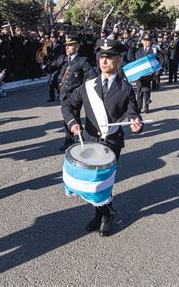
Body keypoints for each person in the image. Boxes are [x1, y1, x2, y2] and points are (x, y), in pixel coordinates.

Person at [61, 38, 143, 236]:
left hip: (112, 142)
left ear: (119, 60)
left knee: (104, 181)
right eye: (102, 57)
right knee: (93, 182)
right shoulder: (87, 86)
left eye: (109, 57)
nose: (104, 61)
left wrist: (136, 123)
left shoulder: (125, 88)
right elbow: (68, 105)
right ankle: (103, 213)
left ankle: (105, 216)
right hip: (89, 141)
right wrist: (73, 123)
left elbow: (133, 112)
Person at [44, 33, 97, 151]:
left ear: (77, 47)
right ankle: (70, 139)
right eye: (66, 45)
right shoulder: (62, 59)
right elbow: (51, 68)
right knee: (67, 116)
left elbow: (92, 76)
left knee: (74, 116)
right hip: (63, 93)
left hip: (75, 95)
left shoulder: (82, 60)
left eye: (70, 45)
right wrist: (45, 61)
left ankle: (78, 139)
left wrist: (82, 89)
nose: (67, 47)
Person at [128, 33, 156, 113]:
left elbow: (156, 61)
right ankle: (139, 107)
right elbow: (130, 58)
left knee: (146, 90)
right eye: (145, 41)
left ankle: (146, 105)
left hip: (148, 75)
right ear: (142, 41)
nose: (147, 42)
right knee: (139, 91)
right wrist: (131, 48)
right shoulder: (138, 51)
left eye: (148, 41)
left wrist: (156, 72)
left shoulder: (153, 50)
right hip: (139, 75)